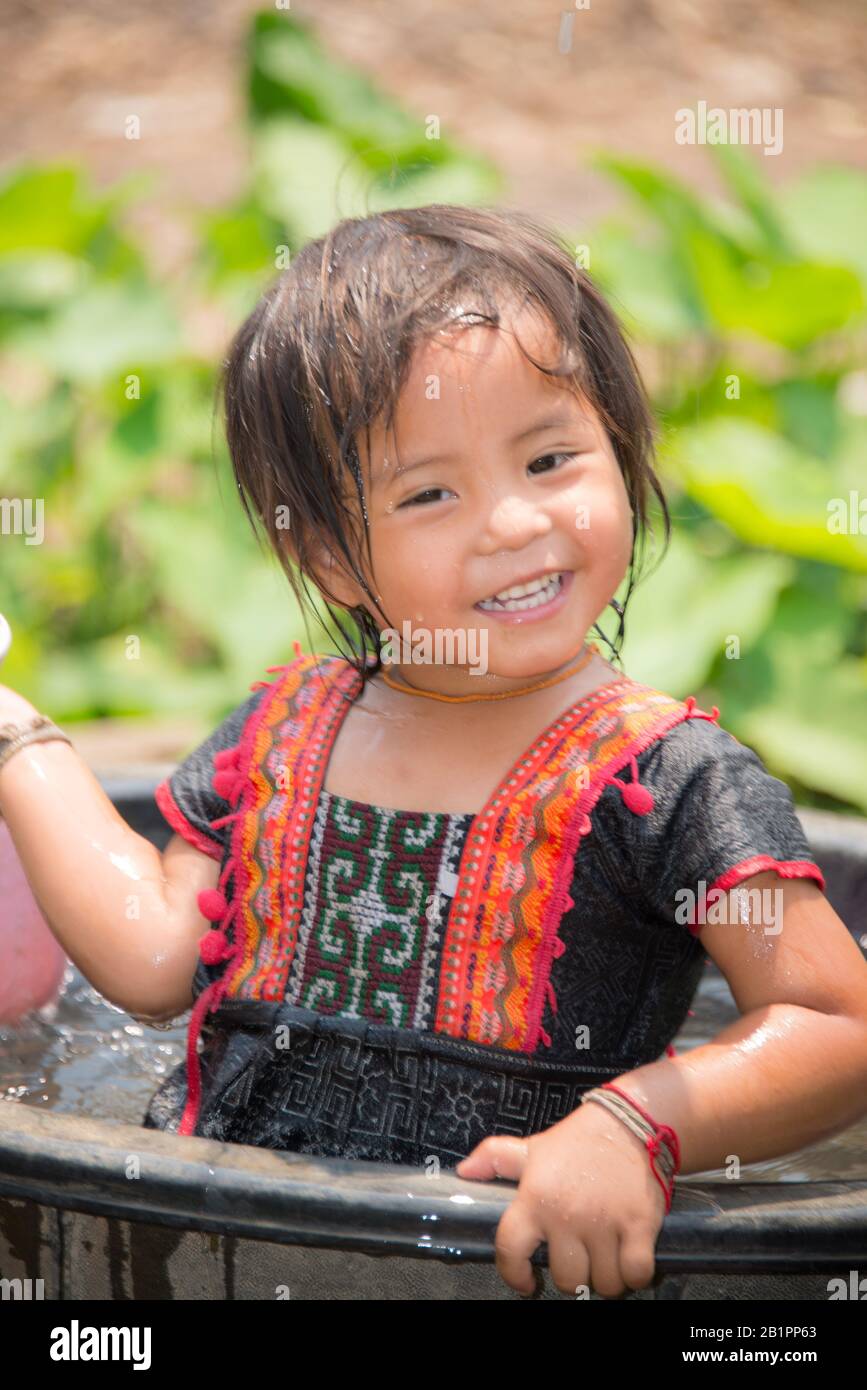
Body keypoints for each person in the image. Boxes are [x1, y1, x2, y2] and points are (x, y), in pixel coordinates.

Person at [2, 204, 867, 1302]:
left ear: (621, 447)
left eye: (551, 457)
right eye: (430, 493)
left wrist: (634, 1124)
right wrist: (19, 739)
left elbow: (836, 1023)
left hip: (507, 1272)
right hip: (219, 1255)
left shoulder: (666, 778)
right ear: (328, 557)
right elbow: (152, 961)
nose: (512, 522)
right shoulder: (279, 736)